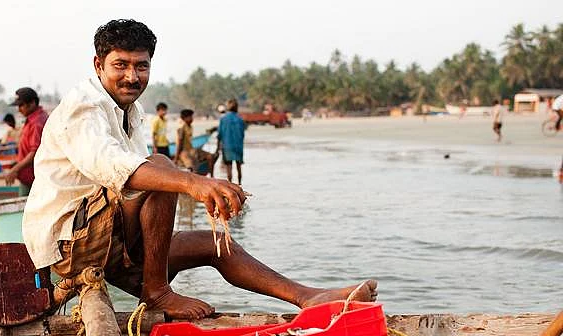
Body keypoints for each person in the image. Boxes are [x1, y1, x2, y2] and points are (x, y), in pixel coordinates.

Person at [21, 19, 377, 320]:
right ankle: (157, 291)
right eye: (121, 65)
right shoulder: (84, 108)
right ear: (98, 65)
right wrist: (195, 184)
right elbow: (119, 169)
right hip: (73, 245)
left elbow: (133, 189)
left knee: (214, 244)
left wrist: (192, 188)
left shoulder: (131, 112)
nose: (132, 76)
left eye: (141, 66)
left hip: (111, 240)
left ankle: (307, 297)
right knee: (160, 167)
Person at [6, 87, 48, 197]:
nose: (19, 109)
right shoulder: (32, 119)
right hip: (29, 175)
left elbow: (35, 153)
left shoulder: (37, 123)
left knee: (25, 209)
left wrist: (15, 169)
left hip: (34, 178)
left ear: (32, 103)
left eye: (21, 105)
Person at [175, 108, 217, 175]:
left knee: (211, 156)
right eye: (190, 117)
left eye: (192, 116)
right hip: (184, 152)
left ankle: (212, 177)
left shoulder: (190, 127)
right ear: (185, 118)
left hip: (191, 150)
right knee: (191, 166)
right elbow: (179, 143)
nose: (192, 118)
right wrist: (176, 158)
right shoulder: (181, 128)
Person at [216, 98, 245, 185]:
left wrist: (218, 148)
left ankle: (230, 185)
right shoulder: (240, 119)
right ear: (237, 107)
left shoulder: (223, 119)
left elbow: (220, 135)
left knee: (229, 167)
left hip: (227, 146)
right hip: (238, 146)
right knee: (239, 167)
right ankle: (240, 184)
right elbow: (242, 134)